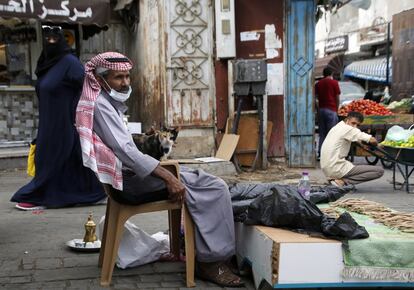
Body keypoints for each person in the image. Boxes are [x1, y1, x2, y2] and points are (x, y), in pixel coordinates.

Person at [75, 52, 243, 287]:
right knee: (214, 187)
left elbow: (125, 148)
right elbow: (127, 152)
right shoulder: (101, 106)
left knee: (200, 180)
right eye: (118, 78)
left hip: (125, 179)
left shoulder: (104, 102)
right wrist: (168, 177)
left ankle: (198, 251)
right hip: (129, 183)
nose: (125, 82)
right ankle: (211, 261)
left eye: (127, 76)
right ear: (101, 79)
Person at [11, 25, 105, 210]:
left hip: (65, 121)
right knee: (67, 158)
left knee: (52, 156)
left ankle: (39, 195)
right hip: (49, 120)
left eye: (55, 38)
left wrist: (79, 115)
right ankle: (92, 193)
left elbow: (87, 88)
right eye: (47, 38)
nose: (50, 41)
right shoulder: (47, 63)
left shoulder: (70, 62)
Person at [320, 111, 384, 187]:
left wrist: (361, 144)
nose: (355, 127)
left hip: (326, 167)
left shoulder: (337, 127)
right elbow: (372, 140)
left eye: (358, 125)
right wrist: (377, 145)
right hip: (336, 168)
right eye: (353, 123)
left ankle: (336, 179)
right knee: (379, 171)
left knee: (350, 165)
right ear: (347, 120)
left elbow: (353, 138)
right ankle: (342, 181)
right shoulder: (348, 129)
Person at [315, 67, 341, 157]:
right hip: (331, 110)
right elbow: (337, 97)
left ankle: (320, 153)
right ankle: (330, 154)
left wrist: (317, 110)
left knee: (322, 133)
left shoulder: (318, 84)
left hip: (321, 110)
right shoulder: (334, 83)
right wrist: (336, 110)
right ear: (331, 74)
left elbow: (316, 98)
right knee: (331, 133)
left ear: (323, 74)